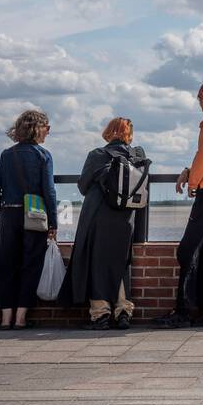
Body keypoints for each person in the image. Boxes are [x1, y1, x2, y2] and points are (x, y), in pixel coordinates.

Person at [154, 80, 203, 329]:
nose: (198, 102)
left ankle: (184, 311)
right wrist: (189, 172)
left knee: (187, 249)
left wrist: (193, 183)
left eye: (199, 97)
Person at [59, 118, 148, 330]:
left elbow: (83, 186)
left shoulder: (97, 155)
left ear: (109, 132)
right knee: (121, 263)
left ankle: (100, 314)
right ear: (129, 135)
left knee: (97, 263)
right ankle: (124, 311)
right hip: (127, 218)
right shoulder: (138, 156)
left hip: (98, 216)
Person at [0, 109, 58, 329]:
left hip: (9, 214)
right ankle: (20, 319)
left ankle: (5, 318)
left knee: (5, 266)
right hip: (34, 217)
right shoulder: (43, 155)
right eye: (47, 127)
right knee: (31, 265)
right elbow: (49, 191)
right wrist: (53, 222)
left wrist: (0, 210)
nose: (48, 132)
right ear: (38, 129)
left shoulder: (6, 155)